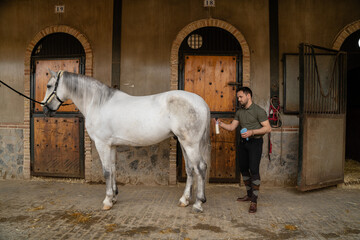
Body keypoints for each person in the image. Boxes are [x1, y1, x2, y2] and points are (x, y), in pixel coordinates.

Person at [217, 87, 271, 213]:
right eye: (238, 97)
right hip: (243, 144)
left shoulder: (259, 111)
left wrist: (252, 132)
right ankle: (249, 194)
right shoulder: (239, 112)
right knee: (243, 169)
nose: (239, 99)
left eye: (241, 97)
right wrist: (220, 123)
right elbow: (231, 127)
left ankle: (254, 201)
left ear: (248, 96)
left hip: (255, 143)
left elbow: (268, 129)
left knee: (254, 170)